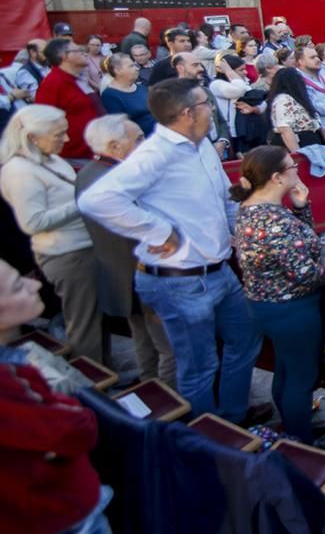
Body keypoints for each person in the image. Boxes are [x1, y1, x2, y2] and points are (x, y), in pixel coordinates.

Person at [77, 79, 265, 423]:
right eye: (206, 103)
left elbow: (224, 197)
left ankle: (233, 418)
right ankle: (208, 435)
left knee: (245, 339)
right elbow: (96, 200)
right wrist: (158, 231)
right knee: (199, 366)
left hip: (218, 270)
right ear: (188, 113)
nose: (212, 108)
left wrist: (240, 231)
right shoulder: (155, 154)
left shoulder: (202, 146)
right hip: (178, 280)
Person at [0, 258, 113, 534]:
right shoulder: (8, 382)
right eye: (17, 287)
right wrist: (74, 411)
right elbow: (76, 429)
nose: (34, 284)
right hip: (56, 513)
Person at [231, 146, 325, 442]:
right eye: (292, 167)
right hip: (291, 308)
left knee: (286, 369)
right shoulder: (274, 220)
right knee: (301, 377)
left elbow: (302, 244)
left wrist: (301, 208)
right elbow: (305, 272)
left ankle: (293, 426)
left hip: (265, 305)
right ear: (276, 178)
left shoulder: (251, 209)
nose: (297, 170)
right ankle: (301, 442)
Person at [76, 114, 176, 387]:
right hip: (143, 275)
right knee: (170, 349)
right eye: (139, 139)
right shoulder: (115, 181)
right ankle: (173, 401)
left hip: (122, 278)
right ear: (115, 145)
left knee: (143, 341)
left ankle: (150, 390)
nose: (146, 144)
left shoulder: (88, 172)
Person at [0, 105, 103, 362]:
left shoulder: (50, 158)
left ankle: (104, 370)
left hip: (83, 248)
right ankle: (90, 378)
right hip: (67, 254)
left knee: (97, 322)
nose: (66, 139)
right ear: (32, 137)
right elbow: (32, 222)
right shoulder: (19, 171)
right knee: (85, 326)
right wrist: (82, 202)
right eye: (58, 134)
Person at [33, 38, 105, 164]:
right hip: (75, 156)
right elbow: (43, 122)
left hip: (94, 150)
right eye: (78, 50)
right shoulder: (52, 84)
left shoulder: (79, 79)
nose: (84, 53)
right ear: (64, 56)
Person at [100, 52, 155, 136]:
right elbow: (120, 125)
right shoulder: (110, 95)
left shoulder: (141, 87)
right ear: (118, 71)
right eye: (131, 66)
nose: (137, 68)